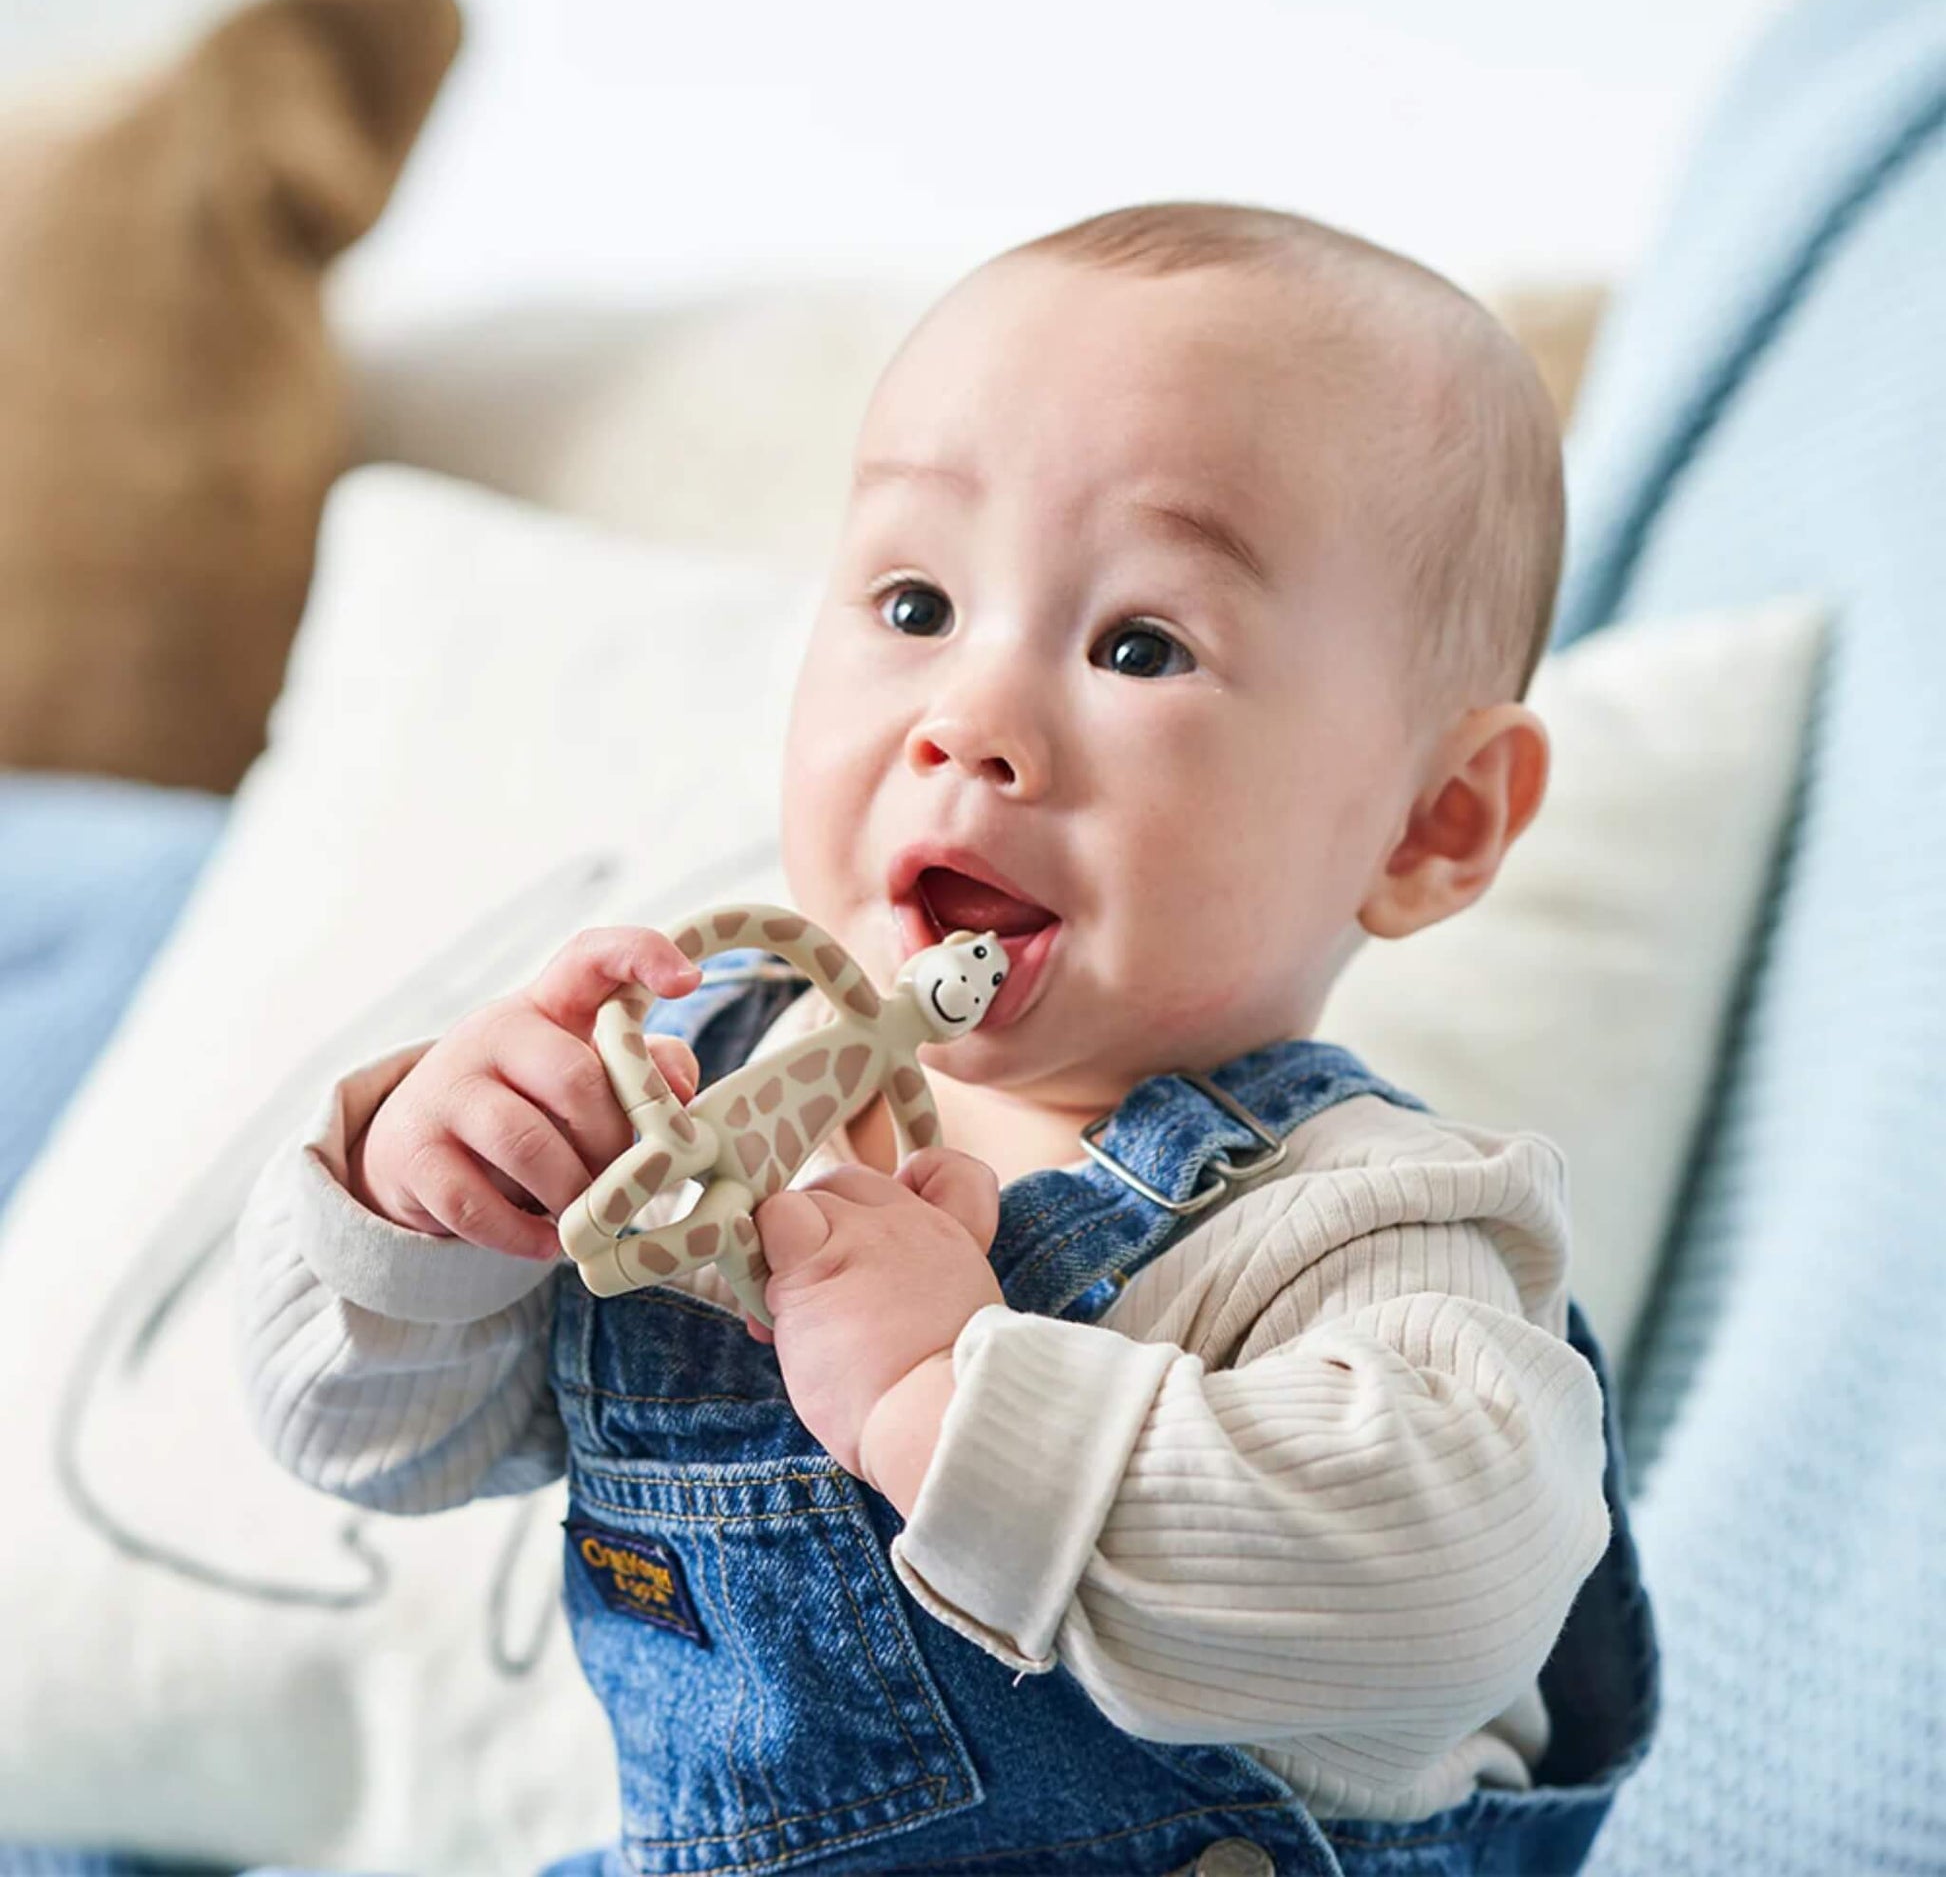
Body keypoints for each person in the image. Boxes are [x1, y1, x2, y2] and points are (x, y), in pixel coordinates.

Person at [236, 201, 1656, 1877]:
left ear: (1431, 821)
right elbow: (366, 1438)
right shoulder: (700, 1096)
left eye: (1140, 644)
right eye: (913, 604)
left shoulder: (1362, 1221)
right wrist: (432, 1188)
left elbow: (1447, 1582)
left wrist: (941, 1396)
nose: (967, 719)